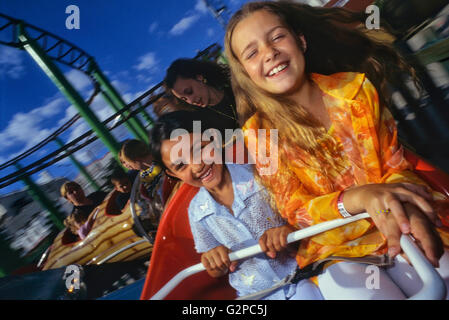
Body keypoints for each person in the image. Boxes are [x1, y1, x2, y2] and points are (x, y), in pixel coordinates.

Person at [224, 1, 449, 299]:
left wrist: (405, 207)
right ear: (246, 73)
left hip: (395, 220)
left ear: (300, 41)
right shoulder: (259, 134)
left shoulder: (355, 90)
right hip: (336, 247)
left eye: (277, 37)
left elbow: (394, 166)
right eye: (252, 52)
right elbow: (297, 210)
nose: (269, 53)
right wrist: (359, 198)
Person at [149, 110, 323, 300]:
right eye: (181, 165)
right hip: (253, 295)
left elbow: (309, 217)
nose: (197, 165)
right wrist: (214, 261)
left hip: (298, 277)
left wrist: (288, 230)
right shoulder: (196, 212)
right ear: (173, 174)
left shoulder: (262, 176)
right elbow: (215, 268)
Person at [164, 58, 240, 136]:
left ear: (199, 77)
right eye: (184, 99)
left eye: (189, 91)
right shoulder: (200, 123)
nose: (190, 101)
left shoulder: (237, 88)